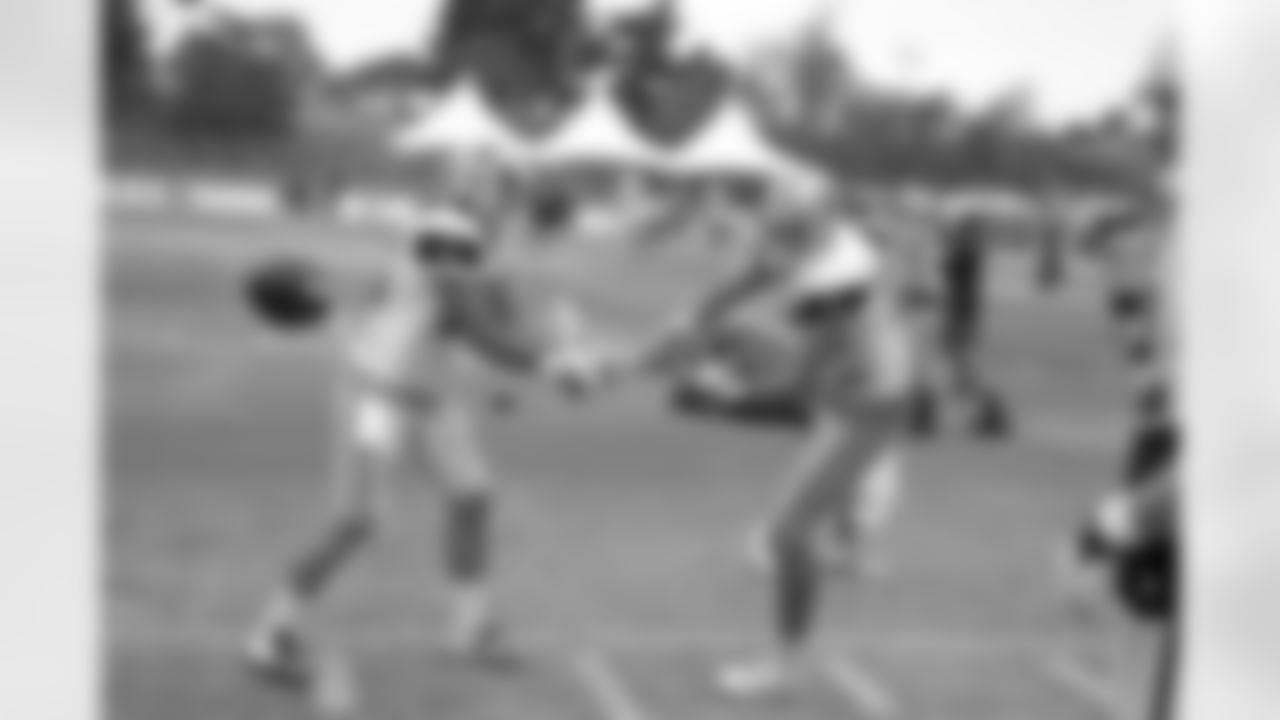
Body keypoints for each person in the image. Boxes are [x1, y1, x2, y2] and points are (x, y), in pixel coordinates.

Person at [240, 203, 607, 714]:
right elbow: (491, 338)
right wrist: (557, 360)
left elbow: (502, 328)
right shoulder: (451, 276)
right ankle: (271, 632)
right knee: (358, 521)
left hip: (430, 401)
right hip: (376, 401)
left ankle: (468, 627)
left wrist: (555, 353)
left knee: (473, 497)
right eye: (443, 250)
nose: (449, 259)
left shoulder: (453, 274)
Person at [639, 182, 915, 697]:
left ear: (809, 227)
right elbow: (740, 284)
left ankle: (788, 663)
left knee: (789, 535)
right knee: (796, 528)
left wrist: (719, 394)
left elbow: (795, 383)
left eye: (782, 232)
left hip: (866, 404)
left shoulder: (835, 281)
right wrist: (687, 325)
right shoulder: (803, 243)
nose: (770, 245)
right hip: (848, 386)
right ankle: (842, 553)